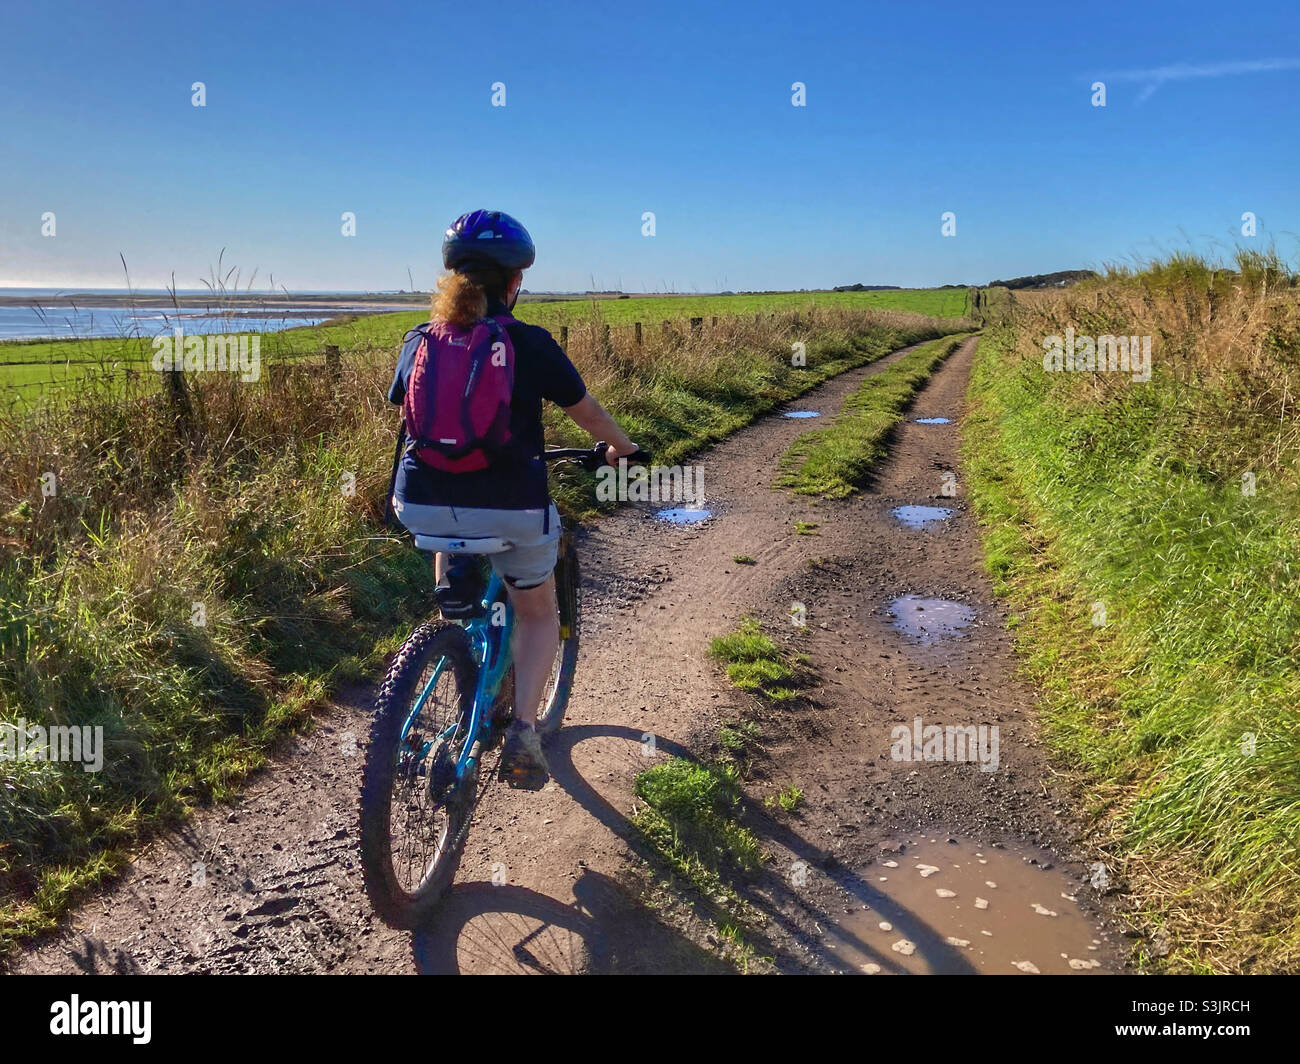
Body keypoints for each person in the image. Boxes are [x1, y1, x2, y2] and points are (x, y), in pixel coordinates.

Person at [387, 210, 640, 787]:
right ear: (514, 283)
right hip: (512, 507)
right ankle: (524, 729)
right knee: (537, 612)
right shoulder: (529, 343)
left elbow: (411, 411)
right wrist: (620, 448)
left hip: (421, 503)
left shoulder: (418, 341)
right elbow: (589, 415)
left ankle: (453, 606)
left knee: (452, 524)